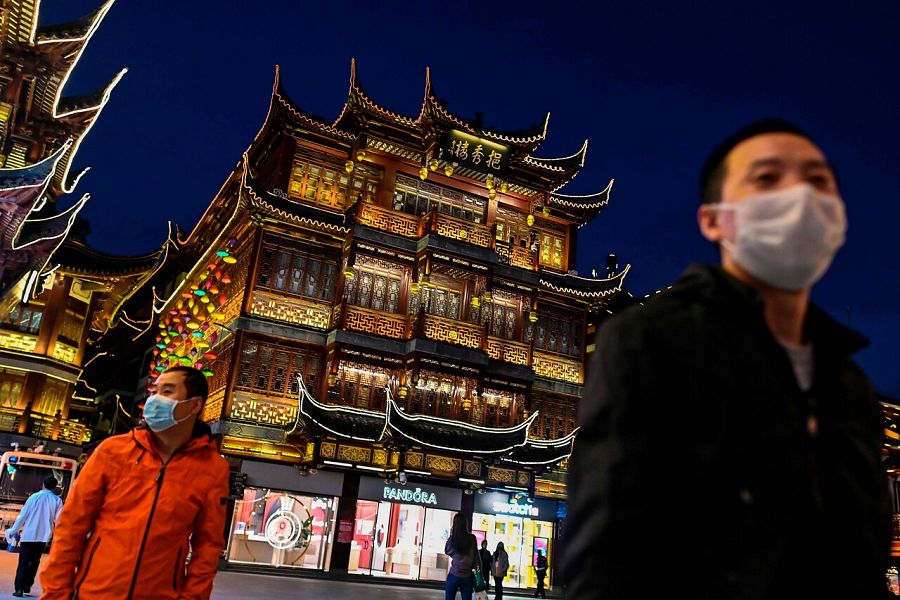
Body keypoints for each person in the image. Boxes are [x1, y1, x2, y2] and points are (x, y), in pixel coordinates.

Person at [563, 119, 891, 599]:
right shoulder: (652, 341)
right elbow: (610, 562)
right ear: (714, 219)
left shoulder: (849, 385)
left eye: (818, 182)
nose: (798, 197)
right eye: (767, 179)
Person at [40, 366, 230, 600]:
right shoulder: (113, 451)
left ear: (194, 405)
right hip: (94, 593)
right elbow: (71, 525)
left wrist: (192, 597)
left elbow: (208, 545)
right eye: (155, 391)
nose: (155, 400)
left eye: (167, 391)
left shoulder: (212, 468)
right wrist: (56, 592)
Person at [5, 476, 63, 597]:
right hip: (43, 537)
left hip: (28, 535)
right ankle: (27, 585)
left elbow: (23, 516)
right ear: (54, 487)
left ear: (43, 484)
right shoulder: (57, 500)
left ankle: (19, 588)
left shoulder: (34, 497)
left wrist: (13, 530)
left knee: (23, 562)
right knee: (34, 561)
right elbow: (59, 520)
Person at [444, 513, 477, 600]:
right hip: (467, 576)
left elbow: (447, 551)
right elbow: (476, 557)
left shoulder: (453, 539)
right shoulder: (472, 538)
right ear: (465, 524)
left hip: (454, 574)